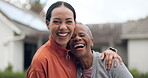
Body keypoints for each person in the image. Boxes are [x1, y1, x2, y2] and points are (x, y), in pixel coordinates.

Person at [26, 1, 122, 78]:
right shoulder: (41, 60)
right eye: (56, 21)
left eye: (68, 21)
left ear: (74, 23)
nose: (63, 27)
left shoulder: (73, 53)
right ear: (48, 24)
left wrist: (111, 52)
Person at [69, 23, 133, 78]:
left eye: (82, 35)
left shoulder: (110, 62)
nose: (77, 38)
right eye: (72, 37)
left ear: (92, 42)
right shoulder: (71, 68)